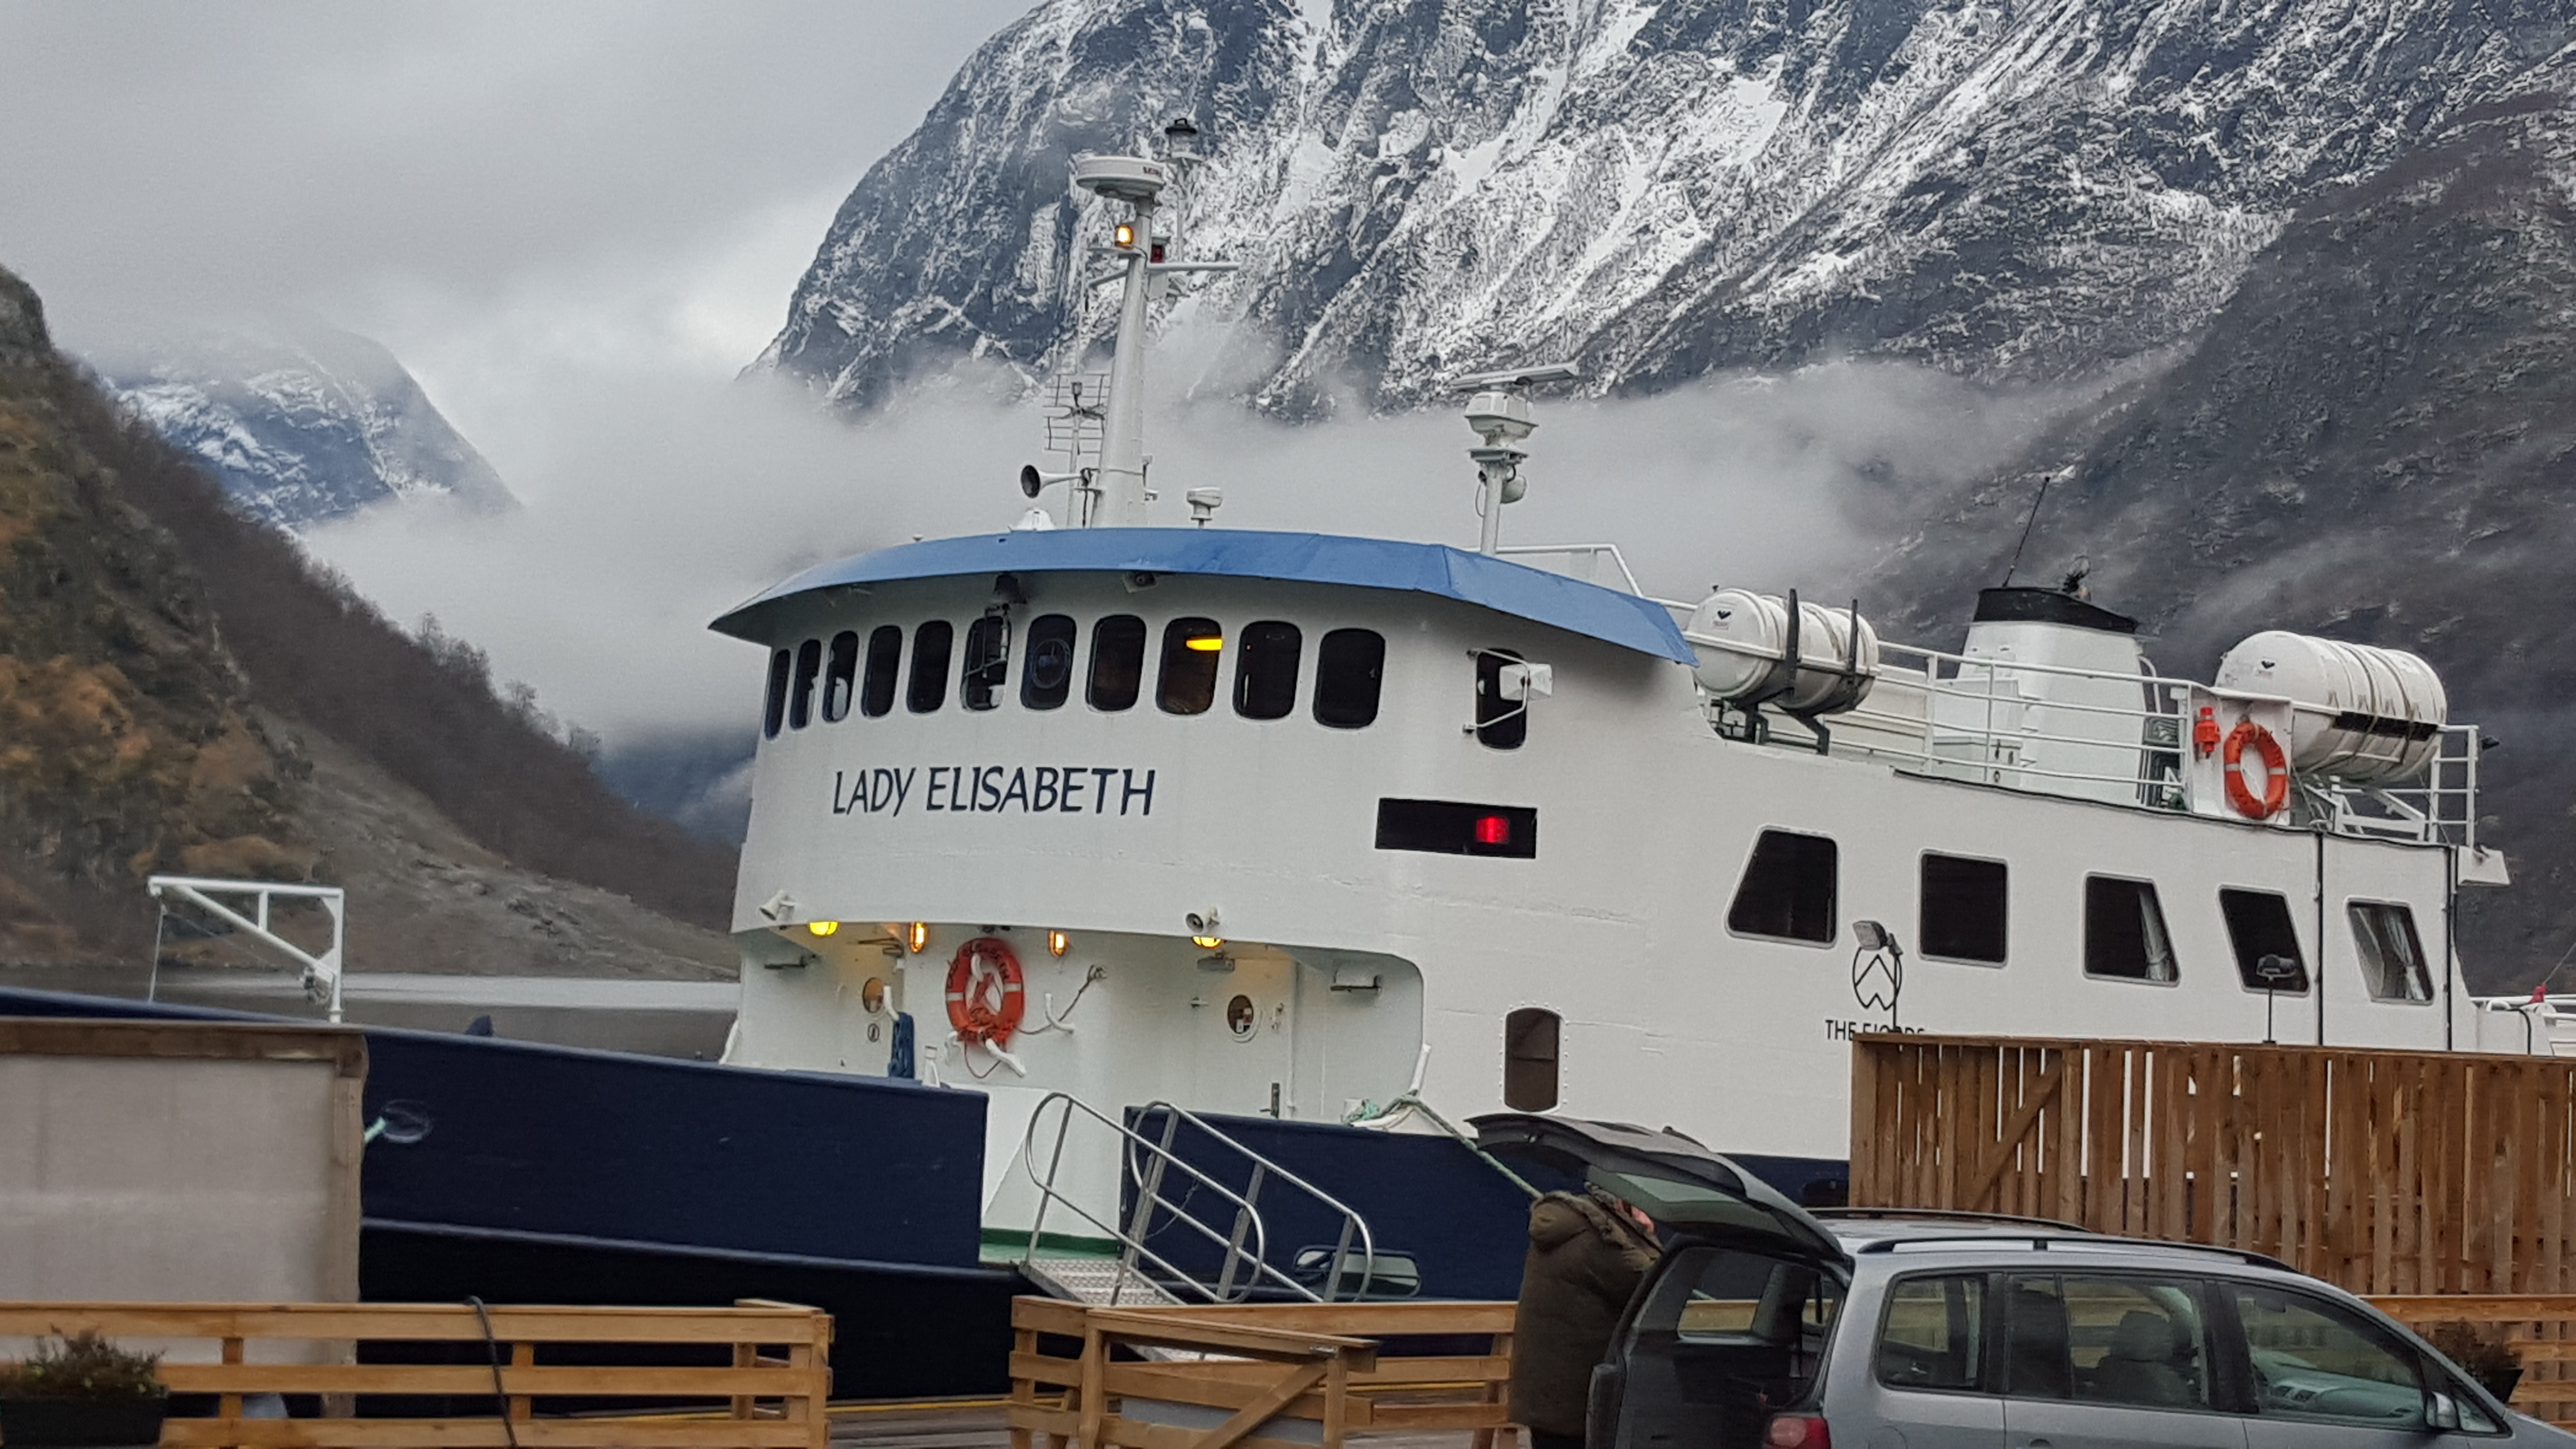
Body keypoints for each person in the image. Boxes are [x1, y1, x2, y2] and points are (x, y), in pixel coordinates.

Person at [1509, 1187, 1660, 1449]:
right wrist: (1645, 1234)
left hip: (1544, 1388)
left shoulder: (1562, 1230)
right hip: (1575, 1395)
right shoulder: (1598, 1242)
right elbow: (1652, 1282)